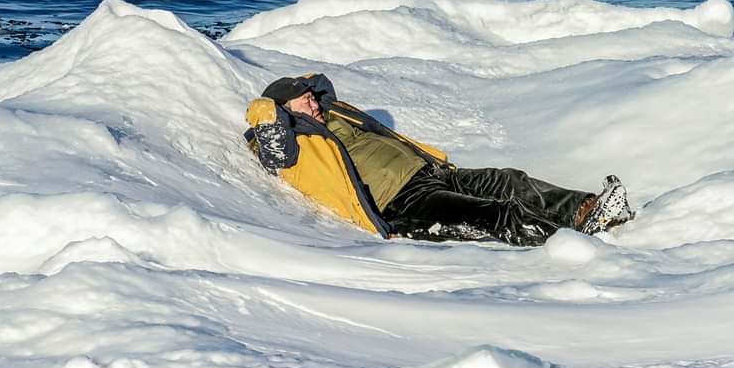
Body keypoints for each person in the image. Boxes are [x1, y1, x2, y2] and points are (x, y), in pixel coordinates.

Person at [244, 73, 632, 246]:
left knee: (508, 179)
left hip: (431, 173)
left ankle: (587, 210)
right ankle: (572, 241)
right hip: (400, 200)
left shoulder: (333, 115)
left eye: (310, 97)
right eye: (302, 101)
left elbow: (322, 84)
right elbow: (272, 142)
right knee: (490, 213)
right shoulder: (289, 141)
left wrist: (308, 94)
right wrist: (268, 108)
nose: (312, 102)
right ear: (283, 111)